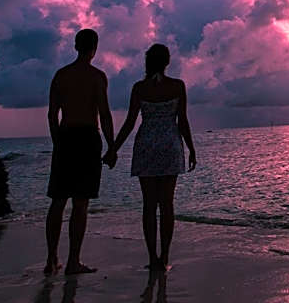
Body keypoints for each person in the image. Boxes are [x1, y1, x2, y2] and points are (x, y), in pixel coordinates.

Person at [104, 43, 196, 271]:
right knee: (166, 204)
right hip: (170, 145)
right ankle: (165, 258)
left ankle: (152, 258)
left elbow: (129, 122)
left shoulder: (139, 88)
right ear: (167, 62)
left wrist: (113, 148)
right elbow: (182, 120)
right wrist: (191, 148)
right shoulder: (177, 86)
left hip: (146, 145)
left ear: (147, 62)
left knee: (148, 205)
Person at [44, 28, 115, 276]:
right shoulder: (97, 77)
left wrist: (57, 142)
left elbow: (53, 115)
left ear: (76, 46)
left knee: (58, 201)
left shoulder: (61, 75)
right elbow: (104, 114)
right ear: (94, 48)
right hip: (87, 137)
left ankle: (52, 259)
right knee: (80, 203)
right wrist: (112, 145)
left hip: (66, 136)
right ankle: (73, 261)